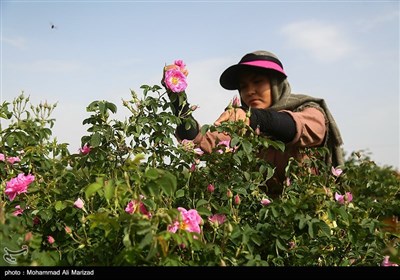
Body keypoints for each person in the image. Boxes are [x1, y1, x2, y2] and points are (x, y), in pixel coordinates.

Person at [165, 50, 344, 196]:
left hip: (312, 221)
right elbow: (197, 140)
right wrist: (177, 96)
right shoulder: (241, 130)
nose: (249, 91)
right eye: (243, 86)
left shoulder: (308, 110)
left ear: (276, 84)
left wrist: (254, 118)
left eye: (258, 82)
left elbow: (297, 127)